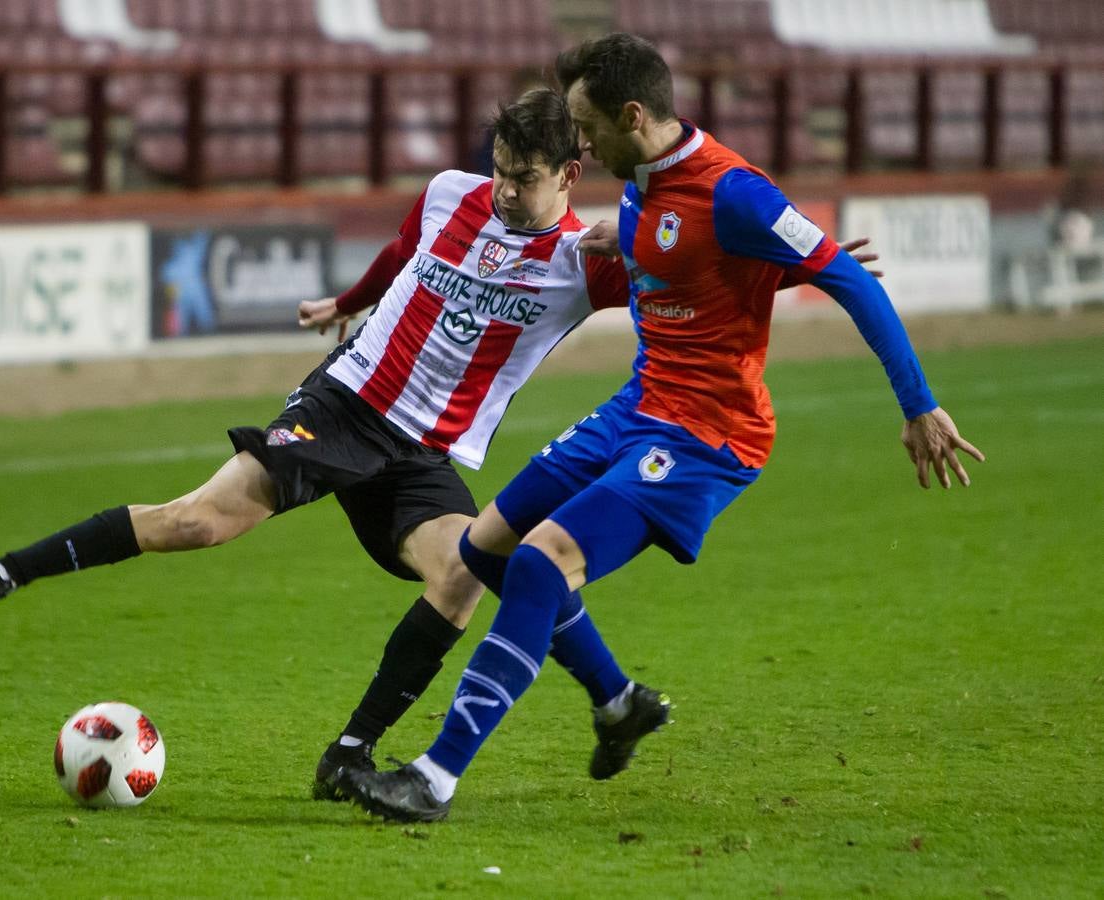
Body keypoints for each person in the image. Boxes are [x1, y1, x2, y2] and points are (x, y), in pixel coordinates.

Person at [338, 33, 986, 823]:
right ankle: (618, 703)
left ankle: (435, 778)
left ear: (633, 115)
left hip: (706, 436)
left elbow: (848, 280)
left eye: (588, 125)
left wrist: (917, 404)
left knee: (543, 564)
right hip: (636, 409)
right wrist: (630, 238)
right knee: (484, 547)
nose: (580, 143)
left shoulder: (734, 191)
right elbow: (694, 258)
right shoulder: (643, 182)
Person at [0, 88, 643, 801]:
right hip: (345, 406)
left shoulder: (583, 262)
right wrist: (347, 302)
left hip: (422, 453)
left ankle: (350, 754)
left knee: (463, 573)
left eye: (525, 178)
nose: (506, 190)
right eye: (500, 170)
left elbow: (686, 265)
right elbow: (403, 252)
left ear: (568, 176)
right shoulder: (449, 195)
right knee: (195, 522)